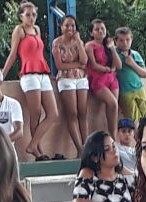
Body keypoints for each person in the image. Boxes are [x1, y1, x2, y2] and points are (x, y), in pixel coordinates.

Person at [3, 2, 60, 161]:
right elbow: (13, 54)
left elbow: (39, 53)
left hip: (42, 73)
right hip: (29, 75)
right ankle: (38, 152)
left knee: (53, 113)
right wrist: (2, 75)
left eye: (34, 14)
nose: (31, 17)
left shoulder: (37, 30)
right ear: (21, 16)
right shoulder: (19, 30)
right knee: (35, 114)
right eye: (28, 14)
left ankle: (33, 145)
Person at [51, 15, 88, 157]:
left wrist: (78, 42)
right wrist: (77, 64)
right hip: (65, 78)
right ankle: (79, 149)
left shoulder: (79, 42)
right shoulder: (57, 43)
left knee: (83, 113)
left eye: (72, 25)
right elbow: (59, 65)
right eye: (67, 25)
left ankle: (87, 145)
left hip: (80, 78)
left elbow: (84, 61)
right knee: (72, 113)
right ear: (61, 27)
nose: (70, 28)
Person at [85, 20, 122, 140]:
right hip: (98, 79)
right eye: (97, 29)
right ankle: (113, 138)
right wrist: (107, 69)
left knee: (113, 107)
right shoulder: (90, 46)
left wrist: (112, 48)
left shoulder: (108, 45)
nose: (100, 31)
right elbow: (93, 65)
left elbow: (119, 65)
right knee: (112, 103)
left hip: (111, 79)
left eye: (102, 28)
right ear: (91, 32)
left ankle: (112, 136)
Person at [114, 27, 146, 123]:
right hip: (125, 91)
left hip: (139, 89)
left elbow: (144, 73)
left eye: (127, 40)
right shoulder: (114, 55)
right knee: (133, 120)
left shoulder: (135, 54)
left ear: (131, 40)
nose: (125, 43)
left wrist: (133, 64)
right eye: (121, 40)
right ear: (116, 41)